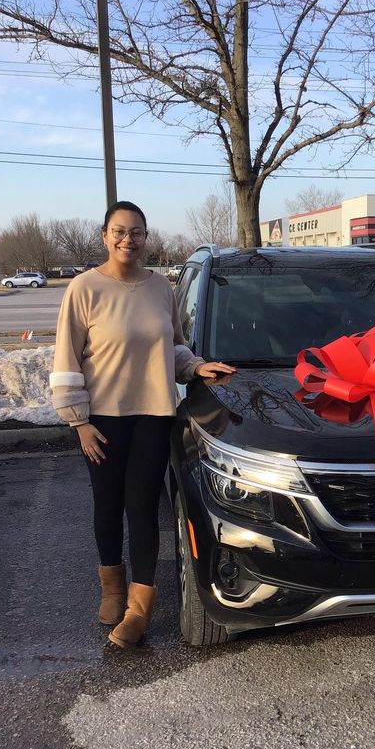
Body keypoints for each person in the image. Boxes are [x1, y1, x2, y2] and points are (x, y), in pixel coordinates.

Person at [50, 201, 235, 649]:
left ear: (146, 237)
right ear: (104, 235)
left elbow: (172, 348)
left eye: (136, 232)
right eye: (118, 231)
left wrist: (197, 367)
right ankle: (112, 589)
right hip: (103, 421)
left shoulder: (160, 288)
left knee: (143, 510)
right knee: (108, 507)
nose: (127, 240)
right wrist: (79, 423)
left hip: (154, 416)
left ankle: (139, 609)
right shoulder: (83, 288)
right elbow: (66, 360)